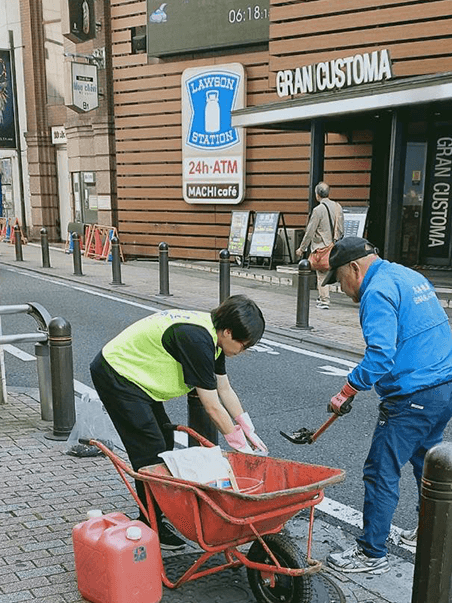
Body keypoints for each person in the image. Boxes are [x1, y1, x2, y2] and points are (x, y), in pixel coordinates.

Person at [324, 237, 452, 574]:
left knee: (381, 470)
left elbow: (381, 355)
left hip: (412, 395)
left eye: (339, 279)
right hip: (445, 388)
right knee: (427, 465)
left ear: (354, 268)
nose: (341, 288)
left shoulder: (376, 292)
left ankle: (371, 552)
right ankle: (428, 532)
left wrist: (347, 390)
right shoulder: (408, 276)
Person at [90, 295, 267, 550]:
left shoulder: (213, 336)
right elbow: (211, 405)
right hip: (117, 375)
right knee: (150, 450)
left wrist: (247, 426)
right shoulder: (196, 339)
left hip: (138, 381)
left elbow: (224, 388)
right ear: (228, 332)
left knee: (165, 441)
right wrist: (240, 445)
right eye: (243, 344)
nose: (243, 351)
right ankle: (151, 523)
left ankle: (157, 513)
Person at [296, 181, 344, 310]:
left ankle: (324, 300)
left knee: (321, 274)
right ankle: (322, 297)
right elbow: (341, 228)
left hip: (321, 247)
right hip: (333, 245)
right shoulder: (338, 207)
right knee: (328, 272)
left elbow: (310, 231)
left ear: (317, 195)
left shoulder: (318, 210)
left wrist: (302, 248)